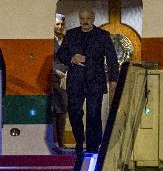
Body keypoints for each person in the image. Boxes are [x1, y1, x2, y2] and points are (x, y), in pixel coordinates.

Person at [54, 8, 119, 155]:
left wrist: (114, 79)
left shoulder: (103, 36)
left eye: (88, 18)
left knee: (93, 115)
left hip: (95, 81)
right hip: (75, 81)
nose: (85, 21)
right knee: (74, 112)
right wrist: (72, 58)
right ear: (79, 18)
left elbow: (112, 58)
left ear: (93, 18)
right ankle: (79, 141)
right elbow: (61, 53)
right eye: (82, 18)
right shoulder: (71, 34)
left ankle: (92, 147)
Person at [51, 13, 70, 151]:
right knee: (54, 112)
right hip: (53, 80)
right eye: (57, 24)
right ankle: (54, 142)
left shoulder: (67, 41)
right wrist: (55, 71)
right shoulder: (48, 41)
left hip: (65, 80)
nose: (60, 27)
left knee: (63, 111)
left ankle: (61, 142)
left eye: (62, 24)